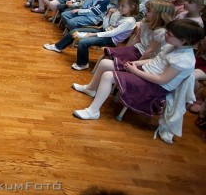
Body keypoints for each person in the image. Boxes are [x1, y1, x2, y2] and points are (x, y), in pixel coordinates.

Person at [71, 19, 204, 120]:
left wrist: (135, 71)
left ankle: (93, 111)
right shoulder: (172, 46)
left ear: (183, 40)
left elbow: (161, 80)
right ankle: (91, 89)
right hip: (145, 72)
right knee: (105, 63)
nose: (165, 35)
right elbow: (155, 61)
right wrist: (136, 63)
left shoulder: (183, 60)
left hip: (155, 86)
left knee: (108, 76)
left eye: (169, 34)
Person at [43, 0, 139, 70]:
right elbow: (106, 27)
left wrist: (91, 34)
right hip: (104, 32)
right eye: (119, 5)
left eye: (123, 6)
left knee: (83, 42)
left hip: (111, 39)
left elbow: (112, 33)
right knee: (74, 31)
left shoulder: (129, 21)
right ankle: (58, 47)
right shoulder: (119, 14)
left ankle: (82, 63)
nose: (120, 8)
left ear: (132, 7)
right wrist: (108, 15)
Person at [101, 0, 175, 65]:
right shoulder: (144, 21)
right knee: (108, 55)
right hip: (136, 49)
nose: (145, 12)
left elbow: (150, 51)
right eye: (146, 9)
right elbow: (137, 38)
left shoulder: (161, 32)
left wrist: (137, 64)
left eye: (148, 11)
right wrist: (125, 49)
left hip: (144, 56)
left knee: (109, 61)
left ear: (159, 15)